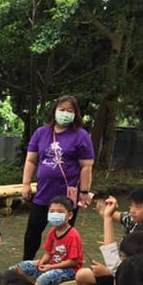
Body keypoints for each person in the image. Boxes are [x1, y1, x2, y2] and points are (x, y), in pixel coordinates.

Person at [21, 95, 94, 261]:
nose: (65, 113)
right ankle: (27, 262)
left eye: (70, 110)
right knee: (33, 230)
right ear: (54, 111)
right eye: (62, 109)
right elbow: (31, 160)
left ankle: (62, 264)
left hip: (67, 194)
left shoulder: (81, 135)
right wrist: (26, 184)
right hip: (43, 192)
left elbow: (86, 166)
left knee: (65, 233)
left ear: (76, 114)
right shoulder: (41, 133)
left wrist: (84, 192)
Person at [76, 186, 143, 285]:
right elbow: (119, 216)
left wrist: (108, 272)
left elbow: (117, 264)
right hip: (121, 271)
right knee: (82, 276)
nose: (132, 210)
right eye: (131, 205)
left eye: (138, 206)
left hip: (135, 283)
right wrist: (106, 210)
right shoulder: (135, 220)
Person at [11, 195, 84, 285]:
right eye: (52, 211)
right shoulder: (52, 232)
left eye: (60, 212)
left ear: (69, 215)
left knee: (44, 278)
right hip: (51, 265)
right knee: (21, 267)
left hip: (70, 270)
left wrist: (50, 267)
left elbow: (73, 262)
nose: (55, 214)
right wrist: (41, 262)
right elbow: (48, 253)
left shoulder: (73, 235)